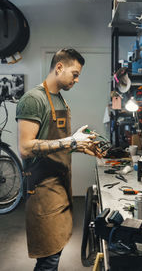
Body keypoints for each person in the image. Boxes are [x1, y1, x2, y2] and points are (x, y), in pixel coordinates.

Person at [16, 48, 102, 271]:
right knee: (48, 261)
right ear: (59, 67)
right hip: (43, 192)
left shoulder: (60, 100)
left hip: (60, 189)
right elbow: (26, 148)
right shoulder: (34, 100)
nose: (77, 79)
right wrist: (71, 142)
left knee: (55, 255)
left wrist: (81, 146)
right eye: (74, 73)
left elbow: (53, 145)